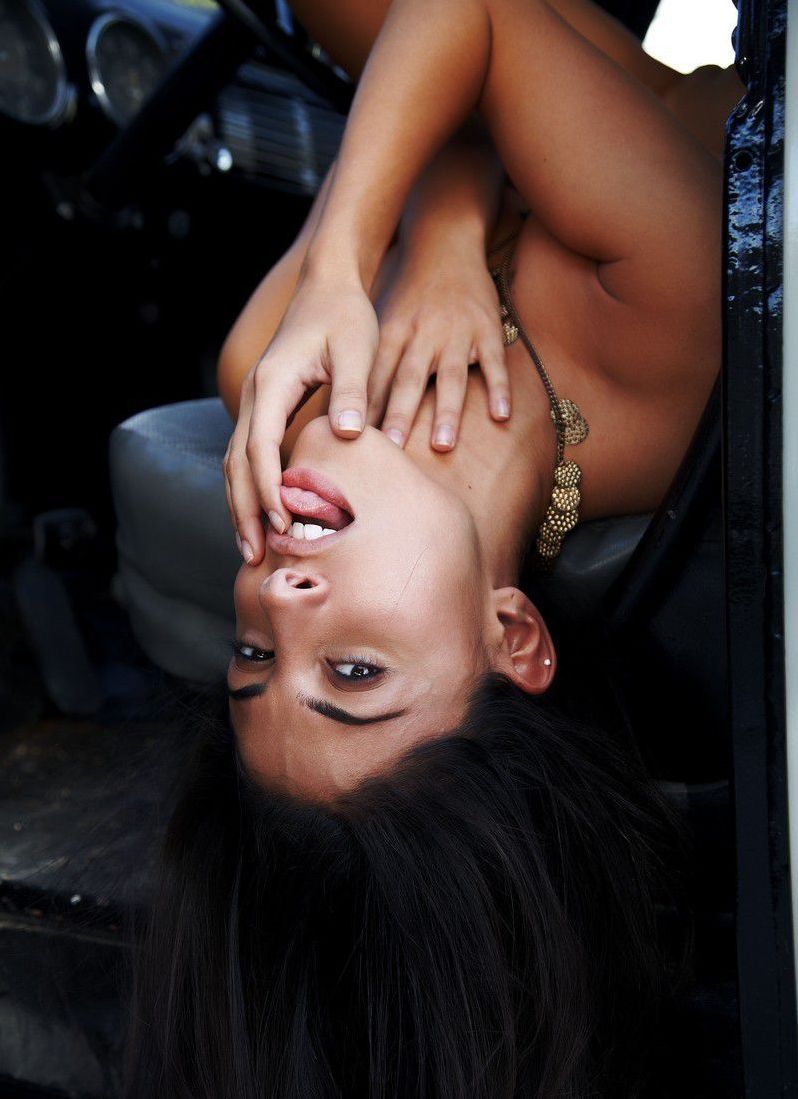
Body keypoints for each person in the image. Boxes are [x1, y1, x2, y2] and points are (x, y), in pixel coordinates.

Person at [125, 2, 742, 1095]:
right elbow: (472, 20)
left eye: (253, 658)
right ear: (511, 638)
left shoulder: (271, 381)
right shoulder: (663, 340)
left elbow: (430, 56)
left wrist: (435, 235)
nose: (280, 596)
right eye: (351, 672)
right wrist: (407, 239)